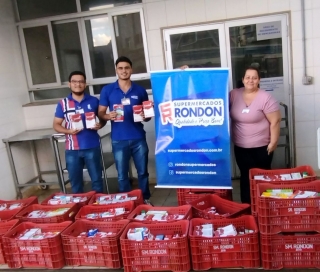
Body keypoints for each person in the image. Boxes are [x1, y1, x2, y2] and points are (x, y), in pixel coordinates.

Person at [98, 56, 152, 205]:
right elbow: (101, 112)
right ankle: (127, 203)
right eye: (120, 68)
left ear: (131, 69)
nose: (124, 71)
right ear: (116, 70)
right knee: (122, 175)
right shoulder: (107, 90)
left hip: (138, 138)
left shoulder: (140, 90)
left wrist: (145, 116)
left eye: (126, 68)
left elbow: (147, 116)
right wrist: (108, 116)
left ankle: (145, 199)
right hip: (118, 139)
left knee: (142, 173)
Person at [229, 66, 281, 204]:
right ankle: (248, 208)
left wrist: (273, 143)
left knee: (262, 177)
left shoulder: (265, 97)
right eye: (248, 77)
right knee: (246, 178)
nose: (250, 80)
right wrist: (188, 73)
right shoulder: (233, 95)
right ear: (243, 79)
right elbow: (214, 100)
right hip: (241, 148)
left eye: (254, 78)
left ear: (259, 80)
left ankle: (265, 206)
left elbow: (275, 121)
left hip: (262, 147)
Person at [53, 71, 105, 194]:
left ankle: (97, 207)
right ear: (69, 84)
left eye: (81, 81)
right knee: (76, 183)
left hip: (92, 146)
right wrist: (68, 131)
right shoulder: (63, 104)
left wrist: (100, 125)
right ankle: (80, 208)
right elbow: (56, 125)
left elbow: (103, 119)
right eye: (75, 81)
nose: (78, 84)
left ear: (85, 84)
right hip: (72, 149)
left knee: (97, 181)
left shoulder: (93, 101)